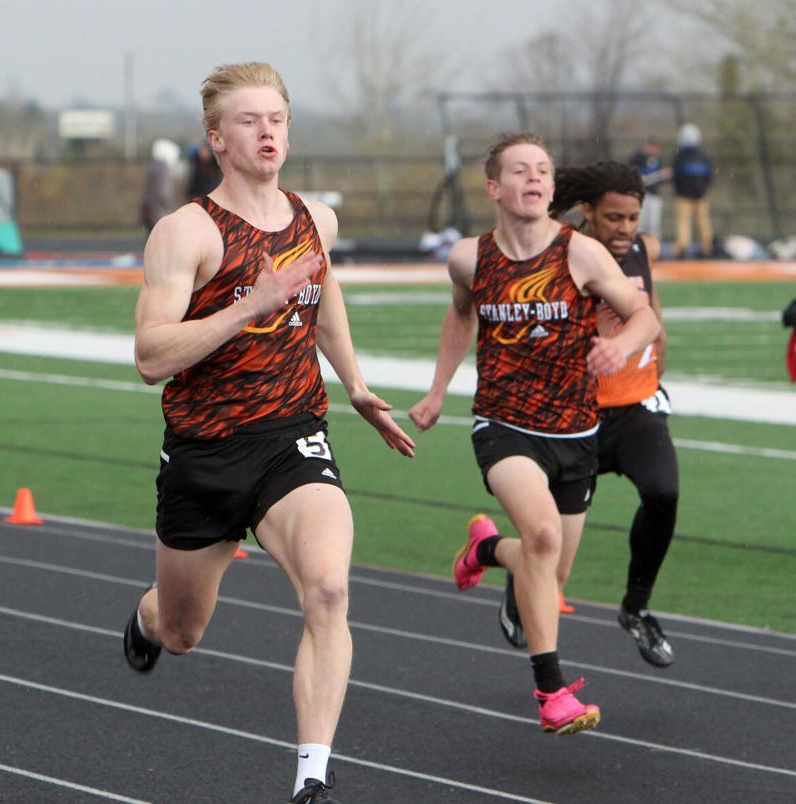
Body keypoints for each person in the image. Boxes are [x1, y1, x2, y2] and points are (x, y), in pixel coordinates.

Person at [122, 62, 416, 803]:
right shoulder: (184, 232)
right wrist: (241, 311)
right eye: (250, 122)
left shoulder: (316, 219)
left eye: (277, 119)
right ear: (217, 138)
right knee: (184, 630)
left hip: (292, 435)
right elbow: (150, 358)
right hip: (204, 451)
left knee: (328, 587)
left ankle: (312, 773)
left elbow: (322, 292)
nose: (267, 133)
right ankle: (147, 618)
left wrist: (357, 384)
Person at [408, 133, 659, 735]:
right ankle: (552, 693)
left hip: (576, 432)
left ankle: (486, 549)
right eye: (520, 170)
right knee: (543, 535)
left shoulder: (582, 253)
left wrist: (619, 347)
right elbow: (461, 313)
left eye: (543, 170)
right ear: (495, 187)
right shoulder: (470, 258)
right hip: (504, 425)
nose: (535, 178)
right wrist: (438, 389)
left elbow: (644, 317)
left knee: (547, 570)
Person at [494, 162, 678, 668]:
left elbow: (651, 312)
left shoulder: (646, 248)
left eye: (633, 217)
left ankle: (636, 608)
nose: (625, 228)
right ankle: (516, 570)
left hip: (636, 407)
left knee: (664, 492)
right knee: (552, 556)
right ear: (587, 212)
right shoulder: (562, 254)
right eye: (614, 217)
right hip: (576, 416)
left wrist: (657, 354)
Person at [671, 124, 714, 258]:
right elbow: (709, 176)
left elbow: (676, 176)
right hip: (700, 194)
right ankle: (706, 248)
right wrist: (703, 188)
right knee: (703, 222)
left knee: (683, 222)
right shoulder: (704, 155)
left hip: (684, 195)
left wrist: (679, 190)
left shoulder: (680, 156)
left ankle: (683, 247)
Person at [628, 137, 670, 238]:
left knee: (654, 224)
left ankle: (654, 245)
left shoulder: (659, 160)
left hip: (654, 195)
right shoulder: (637, 158)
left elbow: (662, 177)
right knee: (641, 223)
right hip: (641, 196)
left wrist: (664, 176)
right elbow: (631, 174)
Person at [140, 138, 180, 234]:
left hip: (151, 211)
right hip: (160, 213)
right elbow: (165, 192)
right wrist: (170, 206)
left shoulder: (154, 167)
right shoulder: (163, 169)